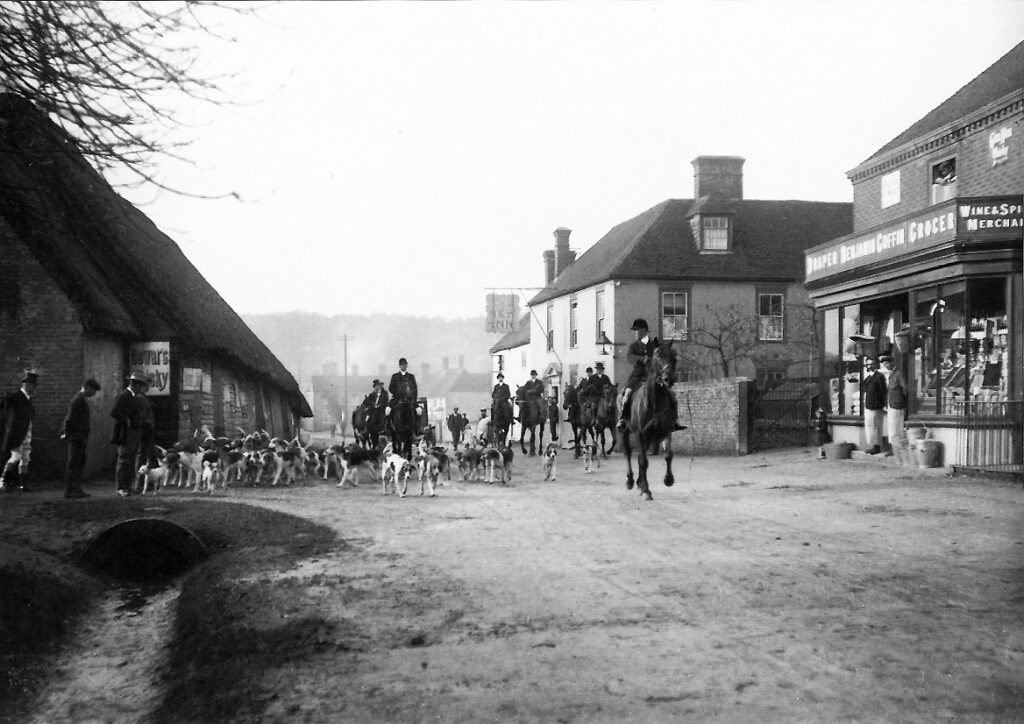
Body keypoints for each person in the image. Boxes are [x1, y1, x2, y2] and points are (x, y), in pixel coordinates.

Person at [110, 371, 155, 497]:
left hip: (134, 434)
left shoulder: (134, 397)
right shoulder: (124, 396)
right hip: (125, 434)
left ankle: (128, 487)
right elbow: (114, 412)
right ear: (135, 385)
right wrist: (127, 420)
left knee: (130, 460)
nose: (142, 389)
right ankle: (121, 487)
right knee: (123, 461)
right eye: (141, 386)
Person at [60, 378, 101, 498]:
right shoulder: (77, 400)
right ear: (88, 388)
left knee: (78, 463)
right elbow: (69, 419)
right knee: (73, 464)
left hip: (80, 437)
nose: (93, 394)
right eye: (93, 391)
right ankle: (70, 490)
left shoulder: (80, 400)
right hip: (76, 437)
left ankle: (76, 489)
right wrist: (67, 433)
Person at [0, 371, 38, 492]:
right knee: (16, 456)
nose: (34, 388)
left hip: (26, 432)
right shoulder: (15, 396)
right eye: (32, 386)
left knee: (25, 458)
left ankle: (23, 485)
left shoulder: (28, 399)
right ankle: (3, 481)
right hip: (16, 434)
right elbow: (3, 404)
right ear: (26, 385)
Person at [883, 355, 910, 463]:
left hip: (898, 404)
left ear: (892, 362)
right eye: (884, 364)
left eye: (887, 363)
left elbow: (905, 388)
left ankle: (897, 449)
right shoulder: (892, 374)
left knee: (897, 427)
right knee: (892, 427)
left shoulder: (898, 373)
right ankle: (893, 448)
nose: (886, 366)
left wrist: (902, 400)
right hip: (892, 404)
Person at [861, 356, 887, 455]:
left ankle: (877, 446)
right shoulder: (868, 377)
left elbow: (883, 391)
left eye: (871, 363)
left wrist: (882, 404)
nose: (870, 366)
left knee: (876, 426)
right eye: (868, 364)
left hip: (876, 406)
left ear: (876, 364)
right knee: (869, 426)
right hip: (868, 405)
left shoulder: (879, 376)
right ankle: (871, 445)